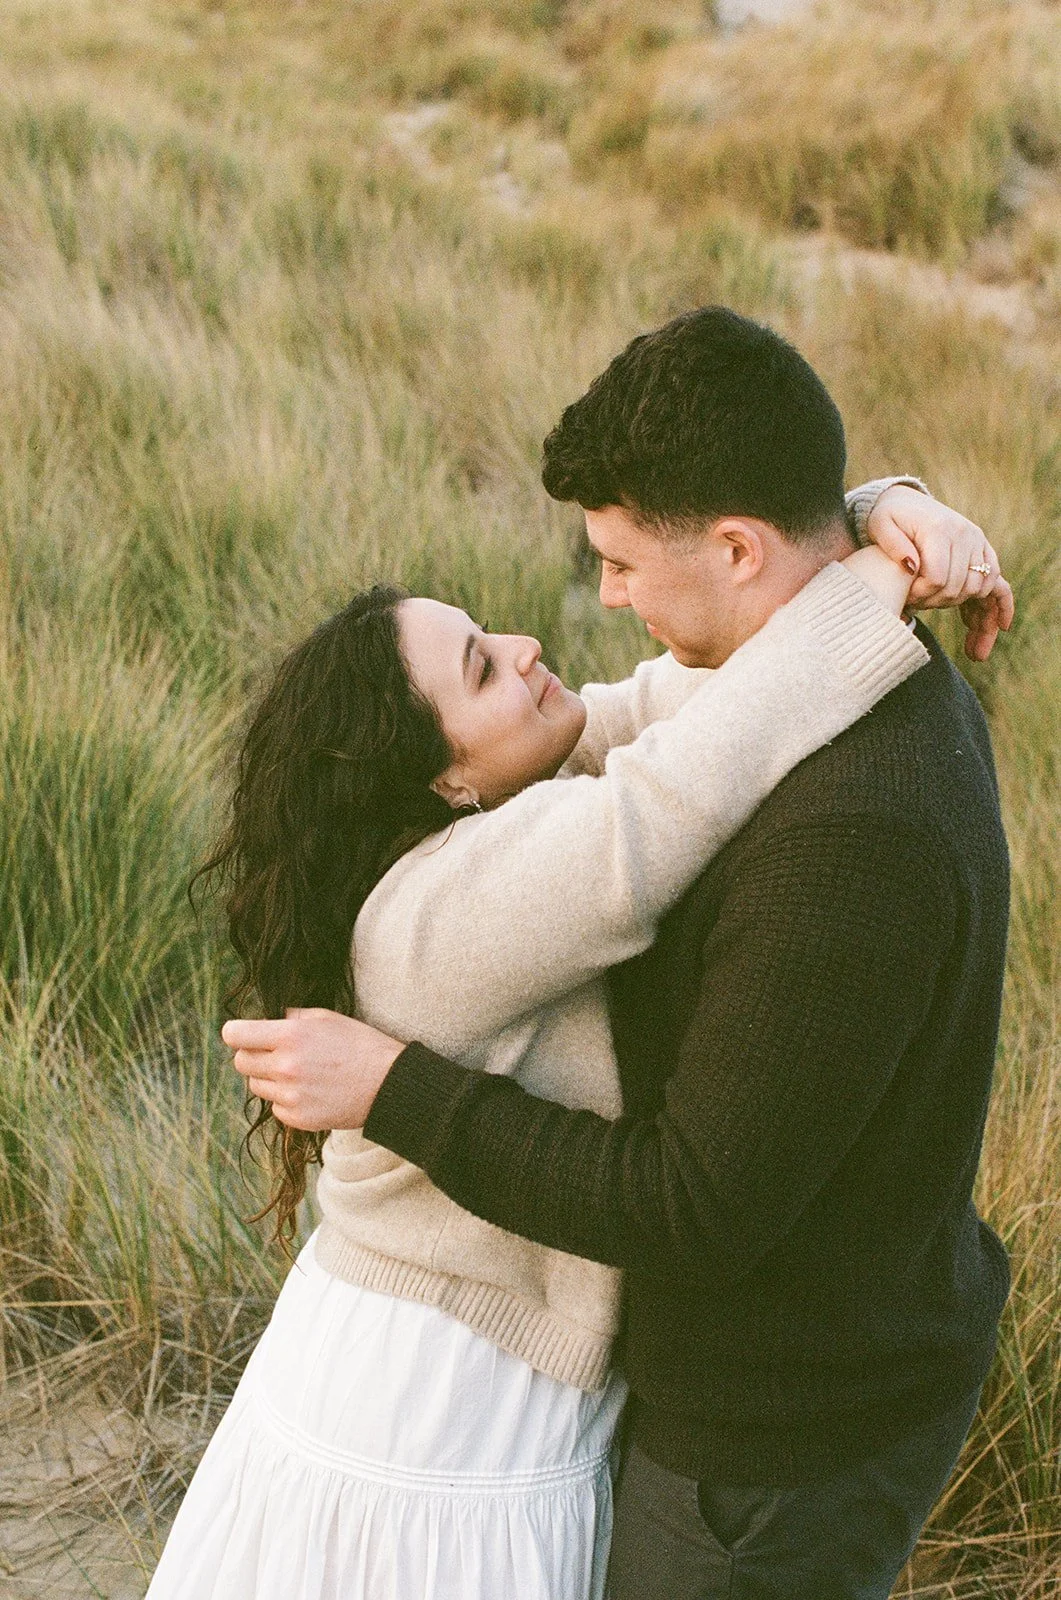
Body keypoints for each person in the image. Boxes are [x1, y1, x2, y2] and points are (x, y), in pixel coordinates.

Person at [226, 309, 1013, 1600]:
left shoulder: (846, 817)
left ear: (741, 549)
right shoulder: (445, 914)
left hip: (776, 1428)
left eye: (621, 562)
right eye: (488, 668)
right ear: (443, 780)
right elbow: (674, 774)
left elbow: (664, 731)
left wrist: (872, 520)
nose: (588, 613)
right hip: (449, 1406)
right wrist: (863, 559)